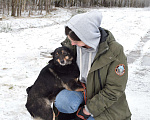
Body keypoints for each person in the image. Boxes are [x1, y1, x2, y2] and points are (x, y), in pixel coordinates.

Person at [53, 11, 132, 120]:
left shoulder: (114, 51)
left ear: (87, 38)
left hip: (101, 97)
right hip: (79, 88)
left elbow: (114, 89)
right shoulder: (73, 45)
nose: (72, 44)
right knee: (62, 102)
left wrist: (87, 111)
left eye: (75, 41)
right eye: (70, 40)